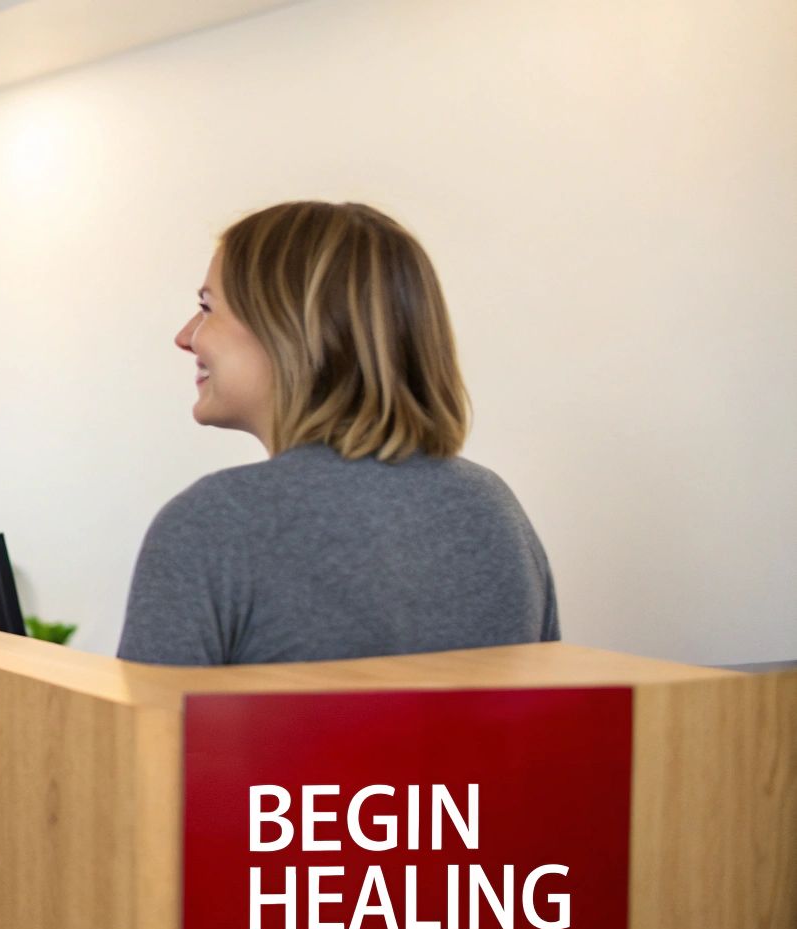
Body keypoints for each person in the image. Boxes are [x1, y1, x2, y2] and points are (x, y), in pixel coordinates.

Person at [118, 201, 557, 667]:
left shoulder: (216, 522)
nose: (186, 336)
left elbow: (138, 739)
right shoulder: (493, 508)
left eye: (207, 308)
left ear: (288, 326)